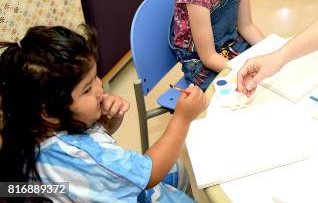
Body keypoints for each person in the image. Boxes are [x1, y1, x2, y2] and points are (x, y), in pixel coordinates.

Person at [0, 25, 207, 202]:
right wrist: (182, 118)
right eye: (87, 89)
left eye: (96, 77)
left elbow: (81, 163)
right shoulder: (77, 155)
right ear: (49, 113)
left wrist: (106, 122)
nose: (100, 88)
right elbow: (151, 174)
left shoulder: (29, 134)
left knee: (177, 168)